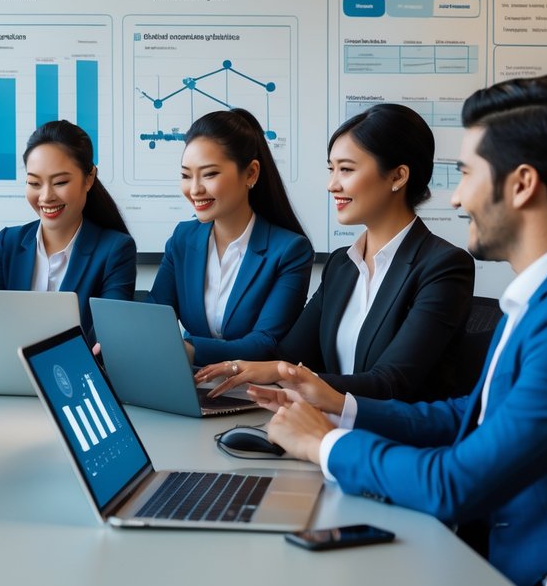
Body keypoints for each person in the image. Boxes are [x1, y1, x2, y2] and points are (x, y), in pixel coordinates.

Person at [250, 74, 547, 586]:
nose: (456, 198)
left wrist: (324, 444)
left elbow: (459, 481)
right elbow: (466, 416)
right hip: (490, 570)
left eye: (466, 174)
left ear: (521, 185)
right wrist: (342, 409)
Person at [198, 104, 475, 402]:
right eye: (331, 169)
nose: (332, 185)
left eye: (346, 169)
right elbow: (289, 356)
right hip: (323, 427)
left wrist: (287, 374)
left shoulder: (443, 266)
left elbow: (391, 383)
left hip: (394, 440)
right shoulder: (342, 263)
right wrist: (236, 368)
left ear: (398, 176)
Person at [146, 108, 313, 365]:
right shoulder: (183, 238)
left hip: (255, 393)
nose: (194, 189)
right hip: (187, 383)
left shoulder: (290, 250)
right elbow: (155, 313)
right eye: (186, 175)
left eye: (210, 174)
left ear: (251, 174)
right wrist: (128, 337)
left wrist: (190, 350)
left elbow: (265, 343)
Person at [0, 120, 136, 339]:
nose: (45, 197)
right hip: (7, 371)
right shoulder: (6, 244)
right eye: (34, 183)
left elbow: (108, 336)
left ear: (89, 178)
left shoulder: (115, 250)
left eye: (60, 182)